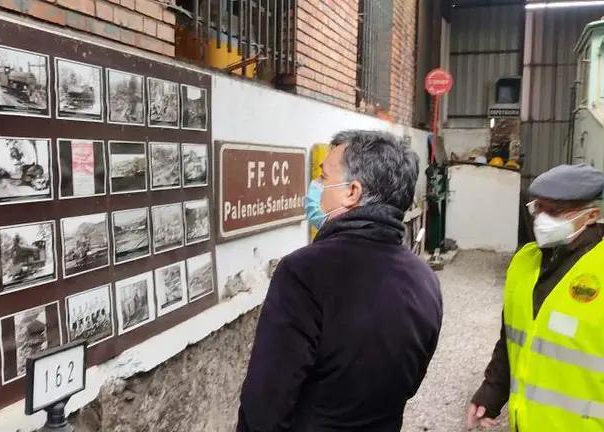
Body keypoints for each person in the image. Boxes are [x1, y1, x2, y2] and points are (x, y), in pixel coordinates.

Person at [236, 130, 443, 431]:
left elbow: (267, 400)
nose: (316, 187)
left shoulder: (304, 272)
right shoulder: (425, 279)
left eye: (323, 176)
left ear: (352, 192)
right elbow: (410, 382)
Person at [467, 163, 604, 431]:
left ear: (591, 215)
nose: (542, 219)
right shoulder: (524, 262)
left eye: (555, 211)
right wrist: (492, 391)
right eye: (538, 208)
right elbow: (512, 338)